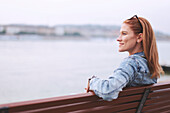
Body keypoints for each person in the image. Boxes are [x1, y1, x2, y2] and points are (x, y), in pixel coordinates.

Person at [85, 15, 164, 101]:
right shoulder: (150, 64)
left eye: (124, 34)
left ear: (139, 37)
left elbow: (108, 91)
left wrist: (92, 82)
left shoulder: (131, 63)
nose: (118, 39)